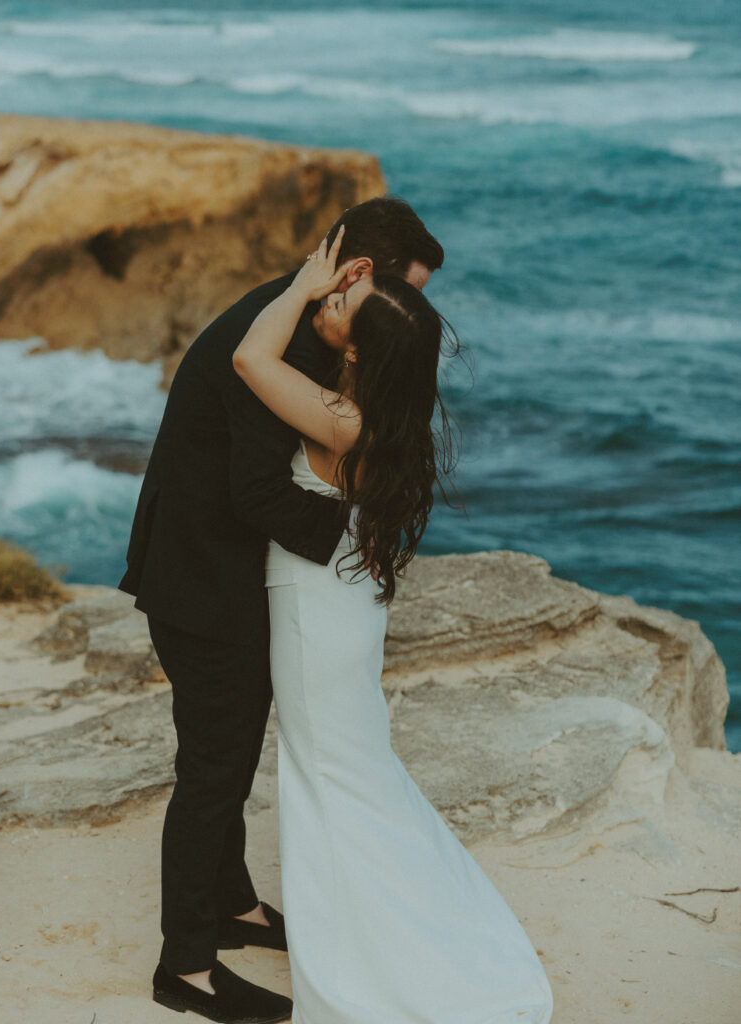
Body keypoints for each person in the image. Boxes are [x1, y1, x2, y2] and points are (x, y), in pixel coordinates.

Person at [117, 197, 445, 1022]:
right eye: (409, 290)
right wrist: (361, 526)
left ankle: (231, 904)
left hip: (235, 579)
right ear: (357, 276)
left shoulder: (306, 320)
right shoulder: (284, 338)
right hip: (201, 583)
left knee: (230, 755)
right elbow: (259, 491)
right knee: (212, 773)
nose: (418, 312)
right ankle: (185, 967)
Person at [230, 228, 555, 1024]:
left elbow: (247, 359)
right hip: (340, 612)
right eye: (339, 289)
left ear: (358, 351)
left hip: (316, 615)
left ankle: (369, 969)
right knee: (355, 776)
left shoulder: (345, 420)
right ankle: (396, 934)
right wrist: (328, 298)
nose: (333, 297)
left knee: (330, 783)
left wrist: (300, 283)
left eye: (345, 302)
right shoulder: (387, 421)